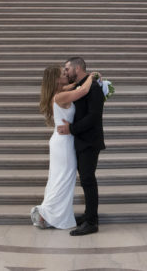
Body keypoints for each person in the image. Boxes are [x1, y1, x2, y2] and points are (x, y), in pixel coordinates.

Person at [31, 64, 98, 230]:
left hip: (62, 141)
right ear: (56, 79)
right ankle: (49, 214)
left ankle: (49, 213)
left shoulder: (60, 92)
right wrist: (92, 76)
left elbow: (75, 86)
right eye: (63, 73)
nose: (66, 74)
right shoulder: (60, 97)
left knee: (59, 178)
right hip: (64, 143)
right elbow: (81, 91)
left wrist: (89, 78)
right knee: (63, 179)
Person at [57, 57, 105, 236]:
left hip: (90, 141)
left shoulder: (93, 88)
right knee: (85, 180)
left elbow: (93, 117)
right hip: (81, 140)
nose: (66, 72)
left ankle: (92, 222)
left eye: (67, 68)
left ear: (77, 68)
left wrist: (72, 129)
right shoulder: (81, 86)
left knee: (88, 180)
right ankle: (88, 214)